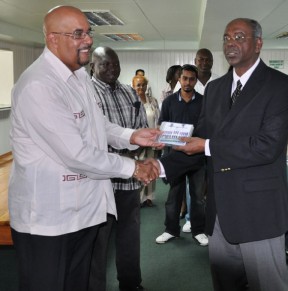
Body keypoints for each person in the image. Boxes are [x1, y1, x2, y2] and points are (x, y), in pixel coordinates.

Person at [8, 6, 161, 291]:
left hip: (84, 212)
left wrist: (133, 136)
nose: (88, 40)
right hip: (49, 220)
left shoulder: (78, 77)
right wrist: (133, 168)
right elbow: (75, 154)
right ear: (52, 39)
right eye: (77, 34)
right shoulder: (39, 85)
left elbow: (97, 126)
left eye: (87, 32)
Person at [155, 18, 288, 290]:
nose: (230, 43)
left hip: (259, 215)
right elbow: (199, 135)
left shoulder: (282, 86)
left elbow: (265, 146)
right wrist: (161, 165)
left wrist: (205, 145)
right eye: (226, 38)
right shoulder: (216, 88)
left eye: (239, 37)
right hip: (220, 213)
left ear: (258, 43)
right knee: (225, 284)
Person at [89, 46, 148, 291]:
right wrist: (125, 154)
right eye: (105, 64)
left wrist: (131, 154)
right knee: (98, 242)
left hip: (128, 181)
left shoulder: (129, 93)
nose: (112, 69)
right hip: (99, 182)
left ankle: (130, 283)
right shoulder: (86, 94)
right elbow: (93, 141)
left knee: (129, 236)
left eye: (115, 64)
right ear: (93, 66)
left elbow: (141, 128)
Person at [155, 64, 207, 246]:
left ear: (195, 81)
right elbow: (162, 126)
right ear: (179, 79)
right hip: (175, 157)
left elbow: (207, 127)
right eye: (184, 78)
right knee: (174, 195)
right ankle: (171, 230)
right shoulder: (169, 102)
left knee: (198, 196)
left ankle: (198, 230)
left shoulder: (203, 101)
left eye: (192, 79)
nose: (187, 82)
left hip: (197, 157)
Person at [175, 48, 218, 234]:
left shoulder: (219, 81)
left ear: (212, 62)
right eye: (201, 59)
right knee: (193, 185)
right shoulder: (186, 82)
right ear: (196, 60)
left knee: (212, 181)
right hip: (190, 141)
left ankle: (210, 216)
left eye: (207, 60)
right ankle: (191, 219)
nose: (204, 63)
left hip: (212, 140)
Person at [132, 75, 160, 207]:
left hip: (153, 141)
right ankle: (139, 198)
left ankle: (149, 197)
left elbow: (158, 120)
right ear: (133, 86)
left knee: (152, 167)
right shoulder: (131, 101)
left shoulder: (152, 101)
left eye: (143, 85)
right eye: (138, 85)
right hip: (138, 142)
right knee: (140, 168)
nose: (141, 87)